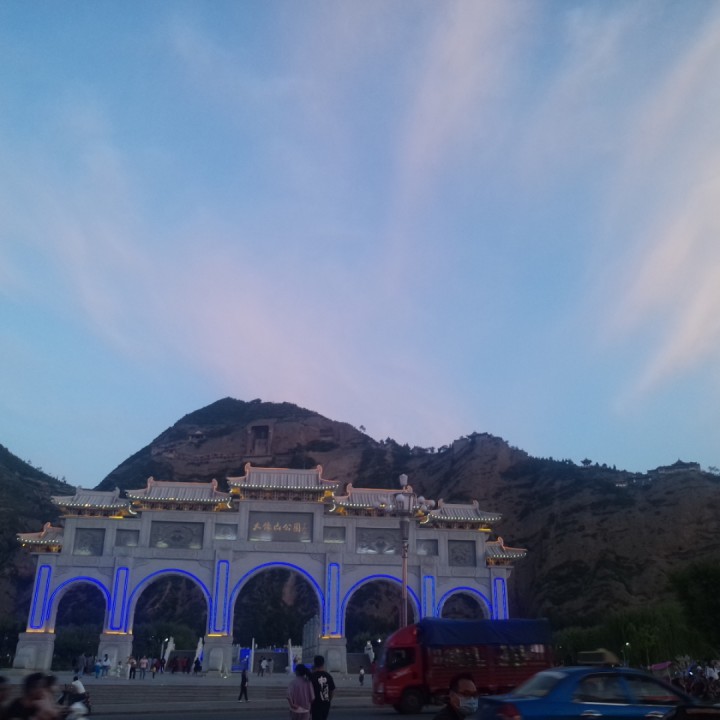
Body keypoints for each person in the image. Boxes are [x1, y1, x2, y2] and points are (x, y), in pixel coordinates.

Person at [310, 655, 335, 720]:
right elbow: (332, 690)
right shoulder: (328, 676)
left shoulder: (312, 676)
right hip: (325, 704)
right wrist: (329, 700)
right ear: (323, 663)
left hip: (315, 704)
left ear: (314, 663)